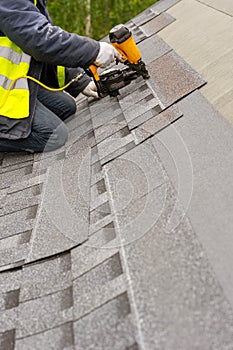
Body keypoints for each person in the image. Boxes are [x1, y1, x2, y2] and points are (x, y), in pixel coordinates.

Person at [0, 0, 122, 153]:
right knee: (53, 135)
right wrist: (93, 51)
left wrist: (78, 80)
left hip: (7, 86)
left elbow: (47, 47)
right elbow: (40, 41)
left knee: (66, 108)